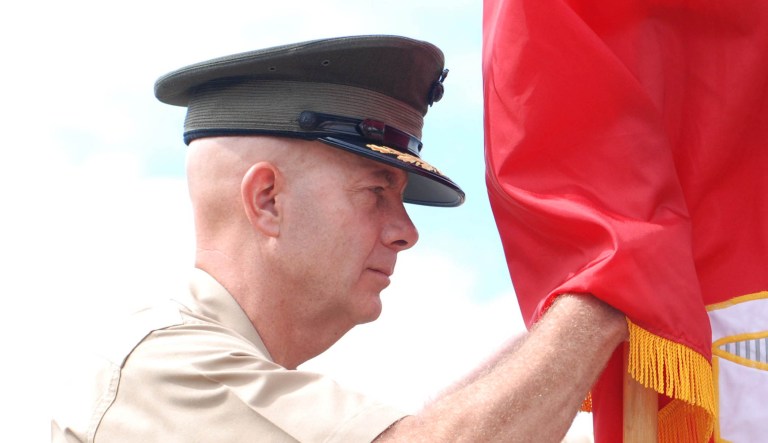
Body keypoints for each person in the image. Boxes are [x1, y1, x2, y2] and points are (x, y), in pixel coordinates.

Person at [51, 35, 627, 442]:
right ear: (267, 201)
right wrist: (612, 292)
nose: (406, 232)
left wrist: (559, 338)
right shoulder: (165, 369)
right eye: (376, 192)